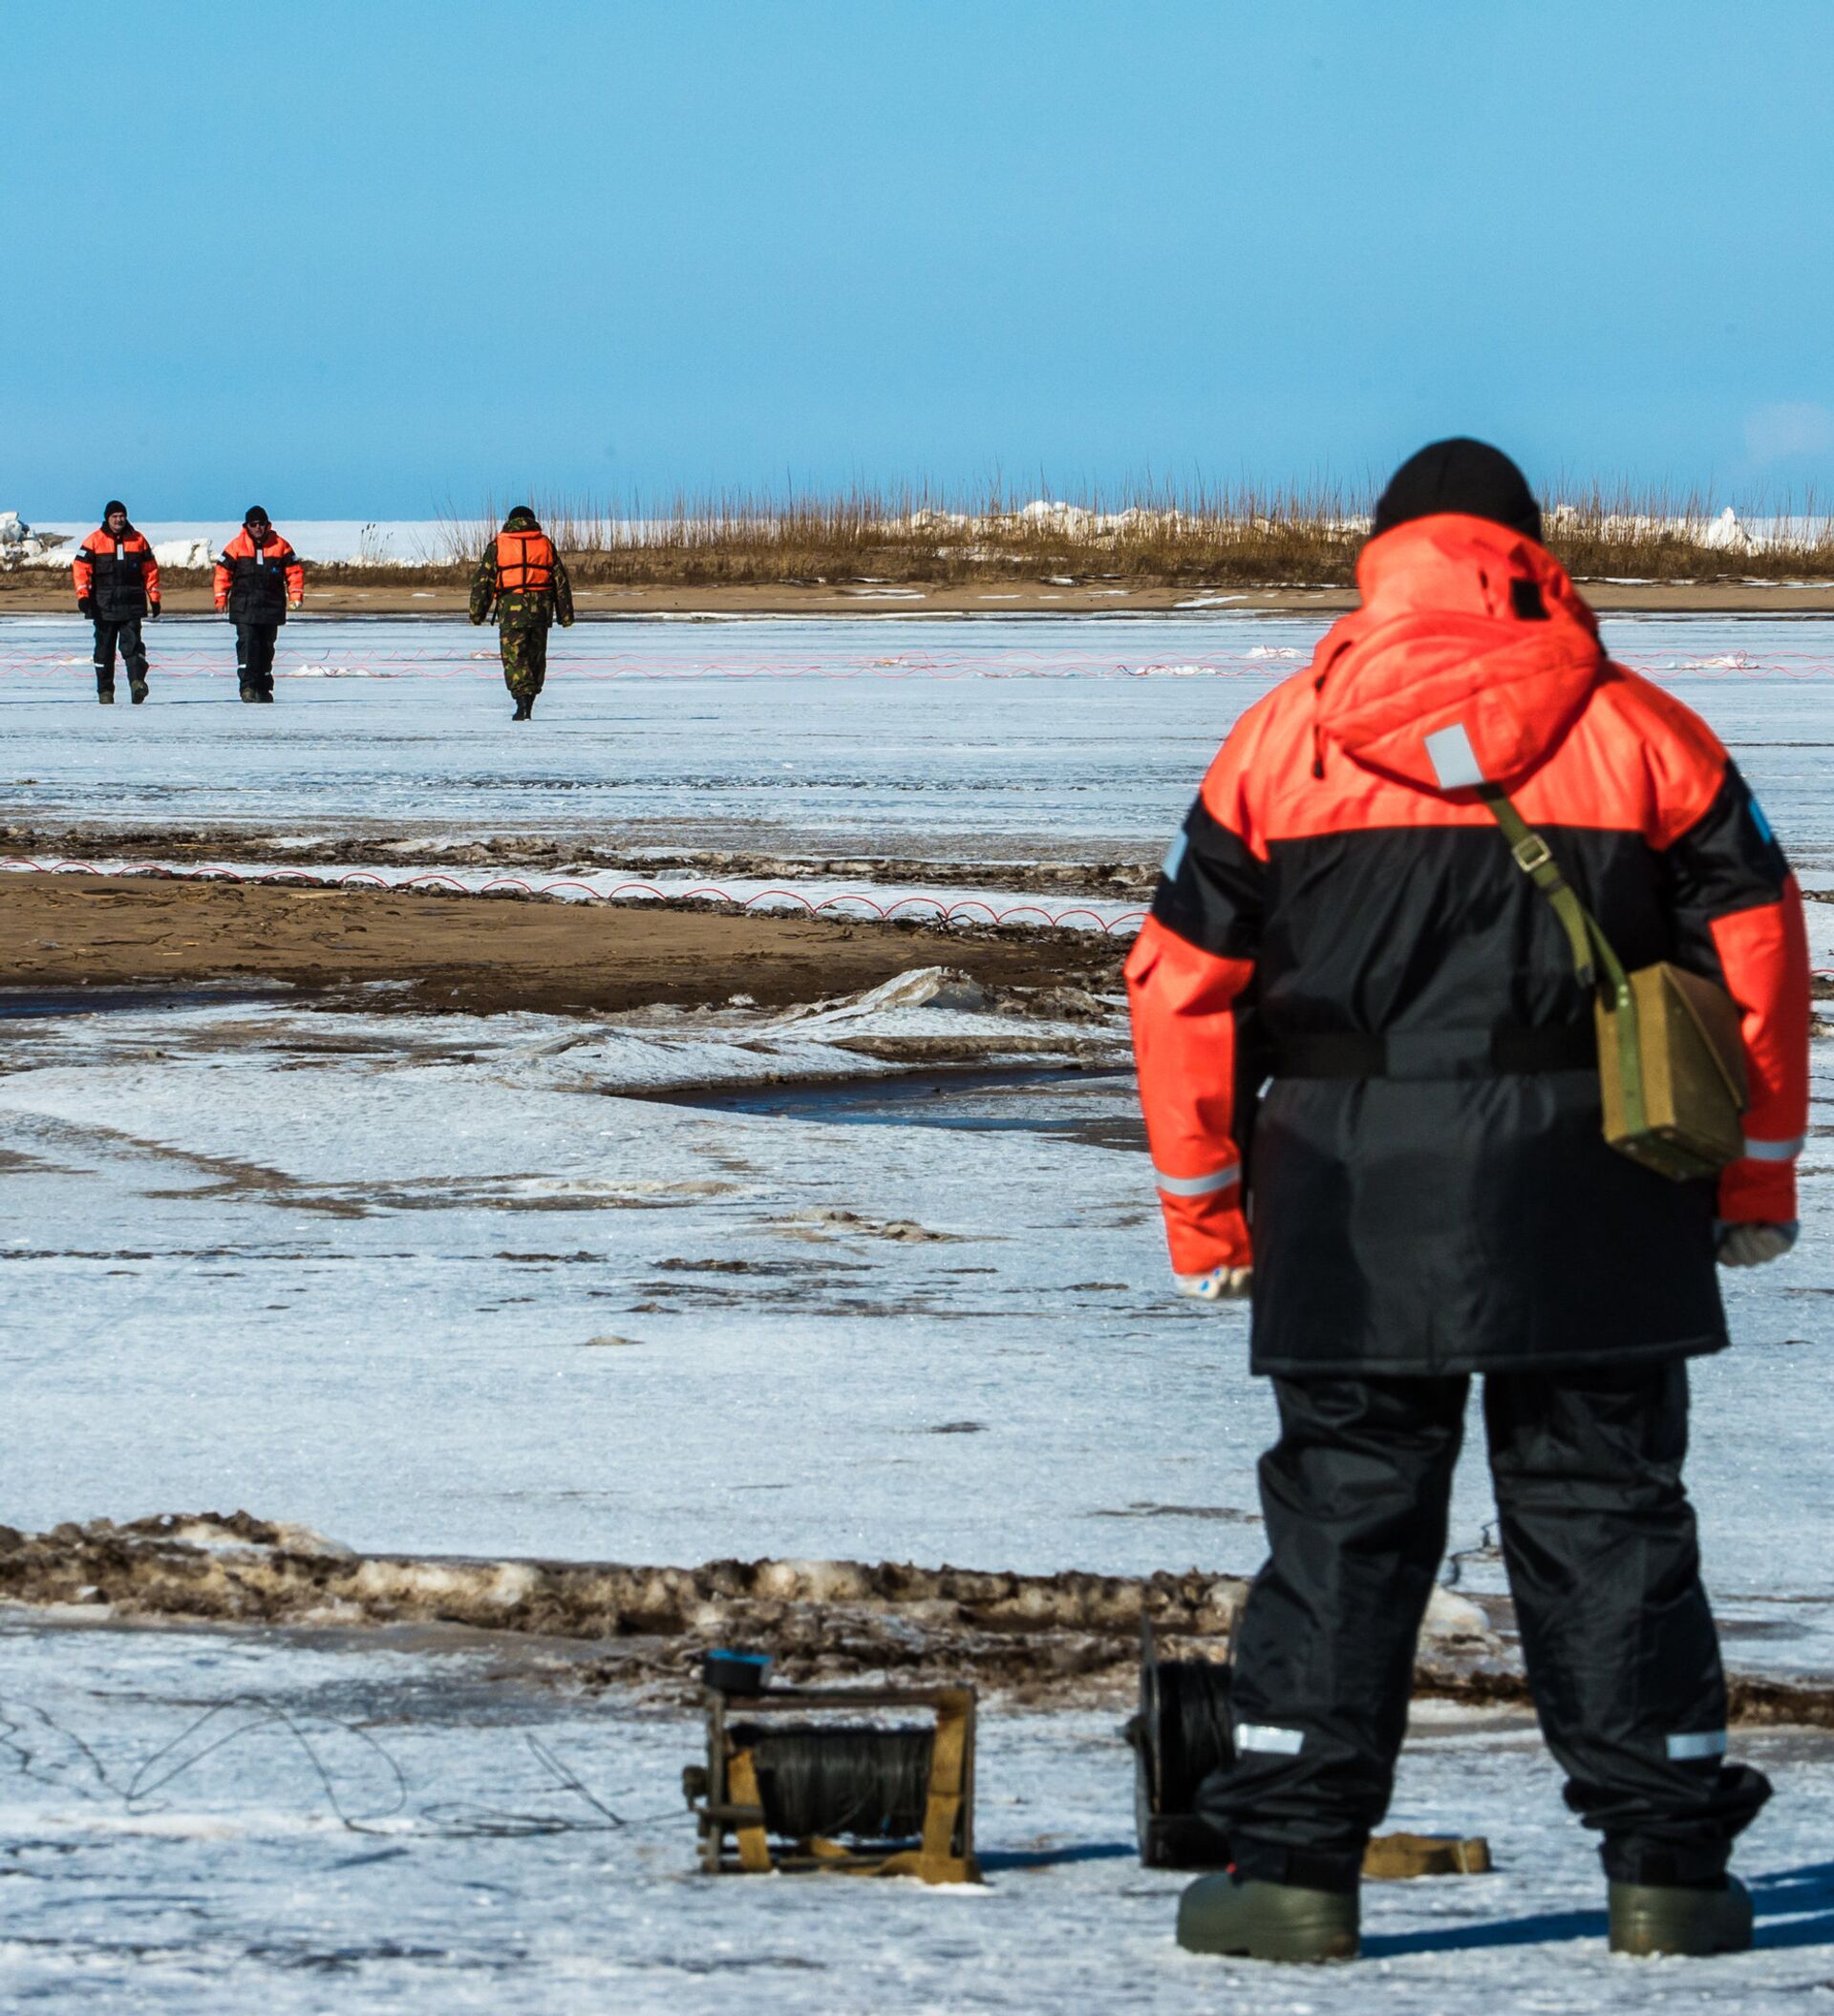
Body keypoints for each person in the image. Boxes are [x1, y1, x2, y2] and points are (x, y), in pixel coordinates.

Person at [1127, 438, 1808, 1965]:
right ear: (1530, 556)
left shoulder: (1279, 742)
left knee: (1345, 1523)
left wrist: (1206, 1211)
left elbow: (1177, 984)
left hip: (1349, 1198)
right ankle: (1670, 1875)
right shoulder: (1644, 730)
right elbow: (1760, 952)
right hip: (1607, 1191)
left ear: (1380, 560)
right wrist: (1754, 1174)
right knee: (1609, 1515)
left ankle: (1294, 1873)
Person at [468, 504, 573, 719]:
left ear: (510, 521)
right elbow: (560, 582)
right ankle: (528, 703)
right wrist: (565, 615)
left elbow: (483, 582)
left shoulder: (499, 545)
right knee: (535, 659)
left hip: (512, 611)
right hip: (540, 612)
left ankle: (522, 702)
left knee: (515, 658)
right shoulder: (545, 544)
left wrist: (477, 613)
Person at [73, 500, 160, 704]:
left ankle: (137, 683)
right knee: (104, 651)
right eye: (115, 516)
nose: (119, 519)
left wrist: (154, 598)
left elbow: (150, 570)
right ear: (107, 518)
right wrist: (83, 597)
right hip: (103, 606)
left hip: (132, 604)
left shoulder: (138, 539)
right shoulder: (94, 540)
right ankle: (105, 692)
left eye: (122, 515)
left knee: (133, 647)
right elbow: (80, 569)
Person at [213, 506, 304, 702]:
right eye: (253, 524)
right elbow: (222, 573)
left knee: (266, 648)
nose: (258, 528)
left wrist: (296, 596)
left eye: (261, 524)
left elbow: (294, 572)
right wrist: (220, 598)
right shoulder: (236, 546)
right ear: (246, 526)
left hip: (271, 607)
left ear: (267, 524)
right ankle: (247, 687)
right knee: (247, 645)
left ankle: (263, 688)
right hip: (244, 607)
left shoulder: (281, 545)